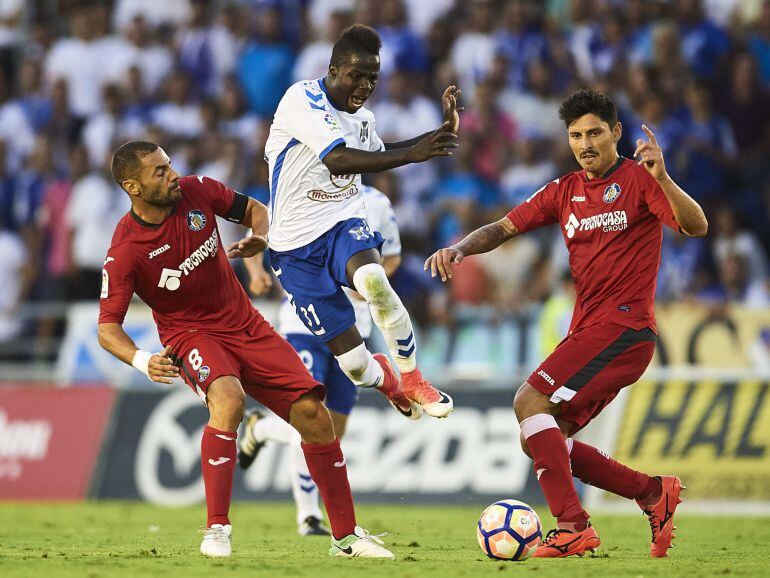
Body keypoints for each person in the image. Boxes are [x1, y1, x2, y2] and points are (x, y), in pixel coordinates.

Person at [425, 89, 708, 558]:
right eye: (576, 135)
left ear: (616, 133)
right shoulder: (564, 191)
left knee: (528, 401)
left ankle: (573, 525)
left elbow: (696, 226)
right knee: (537, 438)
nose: (585, 143)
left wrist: (665, 179)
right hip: (590, 331)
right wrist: (461, 249)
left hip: (625, 328)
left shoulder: (639, 180)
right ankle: (652, 492)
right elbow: (504, 227)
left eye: (595, 132)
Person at [97, 141, 393, 560]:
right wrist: (142, 360)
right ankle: (217, 529)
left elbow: (257, 210)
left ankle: (346, 537)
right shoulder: (125, 250)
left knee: (313, 414)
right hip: (191, 335)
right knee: (228, 399)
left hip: (246, 324)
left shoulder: (198, 190)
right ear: (133, 186)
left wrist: (261, 236)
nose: (172, 175)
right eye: (159, 172)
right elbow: (107, 328)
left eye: (169, 165)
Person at [264, 23, 459, 420]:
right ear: (333, 69)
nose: (366, 85)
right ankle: (387, 378)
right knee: (355, 366)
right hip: (293, 247)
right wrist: (413, 155)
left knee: (373, 281)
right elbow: (338, 159)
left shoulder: (363, 118)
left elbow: (381, 152)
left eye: (373, 77)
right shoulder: (302, 99)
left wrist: (433, 138)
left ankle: (413, 377)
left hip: (341, 221)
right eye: (357, 75)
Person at [238, 184, 402, 537]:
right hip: (303, 322)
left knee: (334, 429)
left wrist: (370, 280)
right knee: (310, 415)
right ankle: (309, 516)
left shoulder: (377, 202)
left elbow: (392, 254)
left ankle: (260, 429)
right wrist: (255, 272)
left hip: (353, 328)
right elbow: (257, 227)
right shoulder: (298, 187)